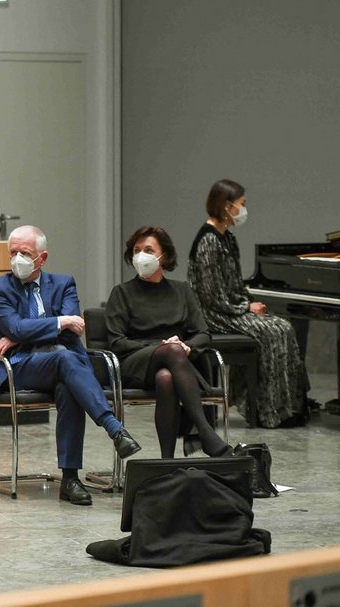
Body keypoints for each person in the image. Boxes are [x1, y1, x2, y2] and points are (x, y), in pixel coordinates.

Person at [0, 225, 142, 506]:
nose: (17, 258)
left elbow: (69, 331)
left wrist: (22, 333)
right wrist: (58, 321)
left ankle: (70, 478)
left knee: (68, 384)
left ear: (42, 257)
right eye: (12, 252)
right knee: (67, 358)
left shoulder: (64, 284)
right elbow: (18, 325)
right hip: (20, 367)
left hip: (60, 365)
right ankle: (114, 427)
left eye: (24, 253)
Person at [188, 179, 309, 428]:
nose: (244, 210)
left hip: (230, 307)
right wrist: (245, 308)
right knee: (273, 331)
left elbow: (233, 284)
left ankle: (290, 406)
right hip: (214, 314)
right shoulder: (208, 241)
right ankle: (269, 410)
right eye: (241, 204)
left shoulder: (227, 238)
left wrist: (250, 302)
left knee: (283, 327)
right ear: (226, 206)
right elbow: (212, 296)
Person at [106, 226, 231, 458]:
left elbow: (203, 333)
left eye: (148, 249)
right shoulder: (121, 293)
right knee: (171, 352)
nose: (141, 255)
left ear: (164, 256)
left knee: (166, 378)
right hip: (134, 363)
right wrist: (161, 348)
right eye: (136, 250)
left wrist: (187, 346)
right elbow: (116, 342)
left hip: (177, 362)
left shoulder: (182, 290)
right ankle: (205, 432)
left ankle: (167, 461)